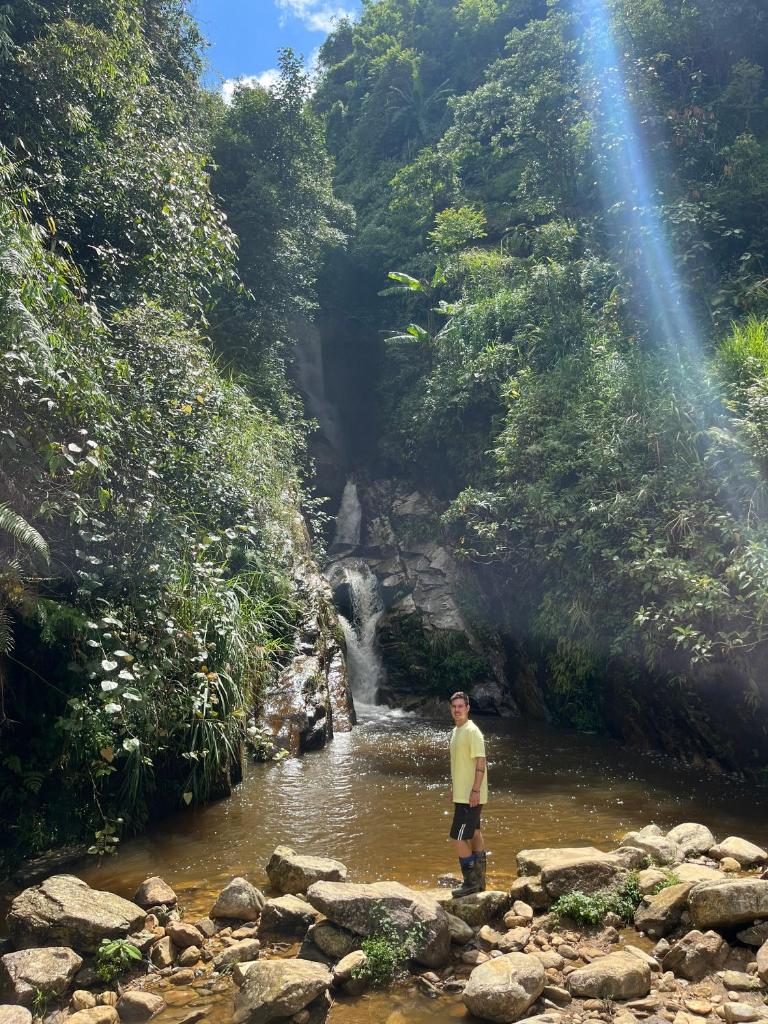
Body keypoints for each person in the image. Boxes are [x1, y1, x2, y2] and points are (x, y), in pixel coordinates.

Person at [448, 690, 487, 897]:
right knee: (475, 833)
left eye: (460, 706)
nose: (457, 710)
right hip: (462, 794)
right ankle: (480, 880)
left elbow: (481, 762)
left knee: (457, 837)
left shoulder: (473, 731)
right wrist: (454, 786)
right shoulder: (456, 731)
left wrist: (475, 790)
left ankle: (470, 882)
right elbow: (460, 764)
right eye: (454, 706)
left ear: (468, 708)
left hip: (470, 796)